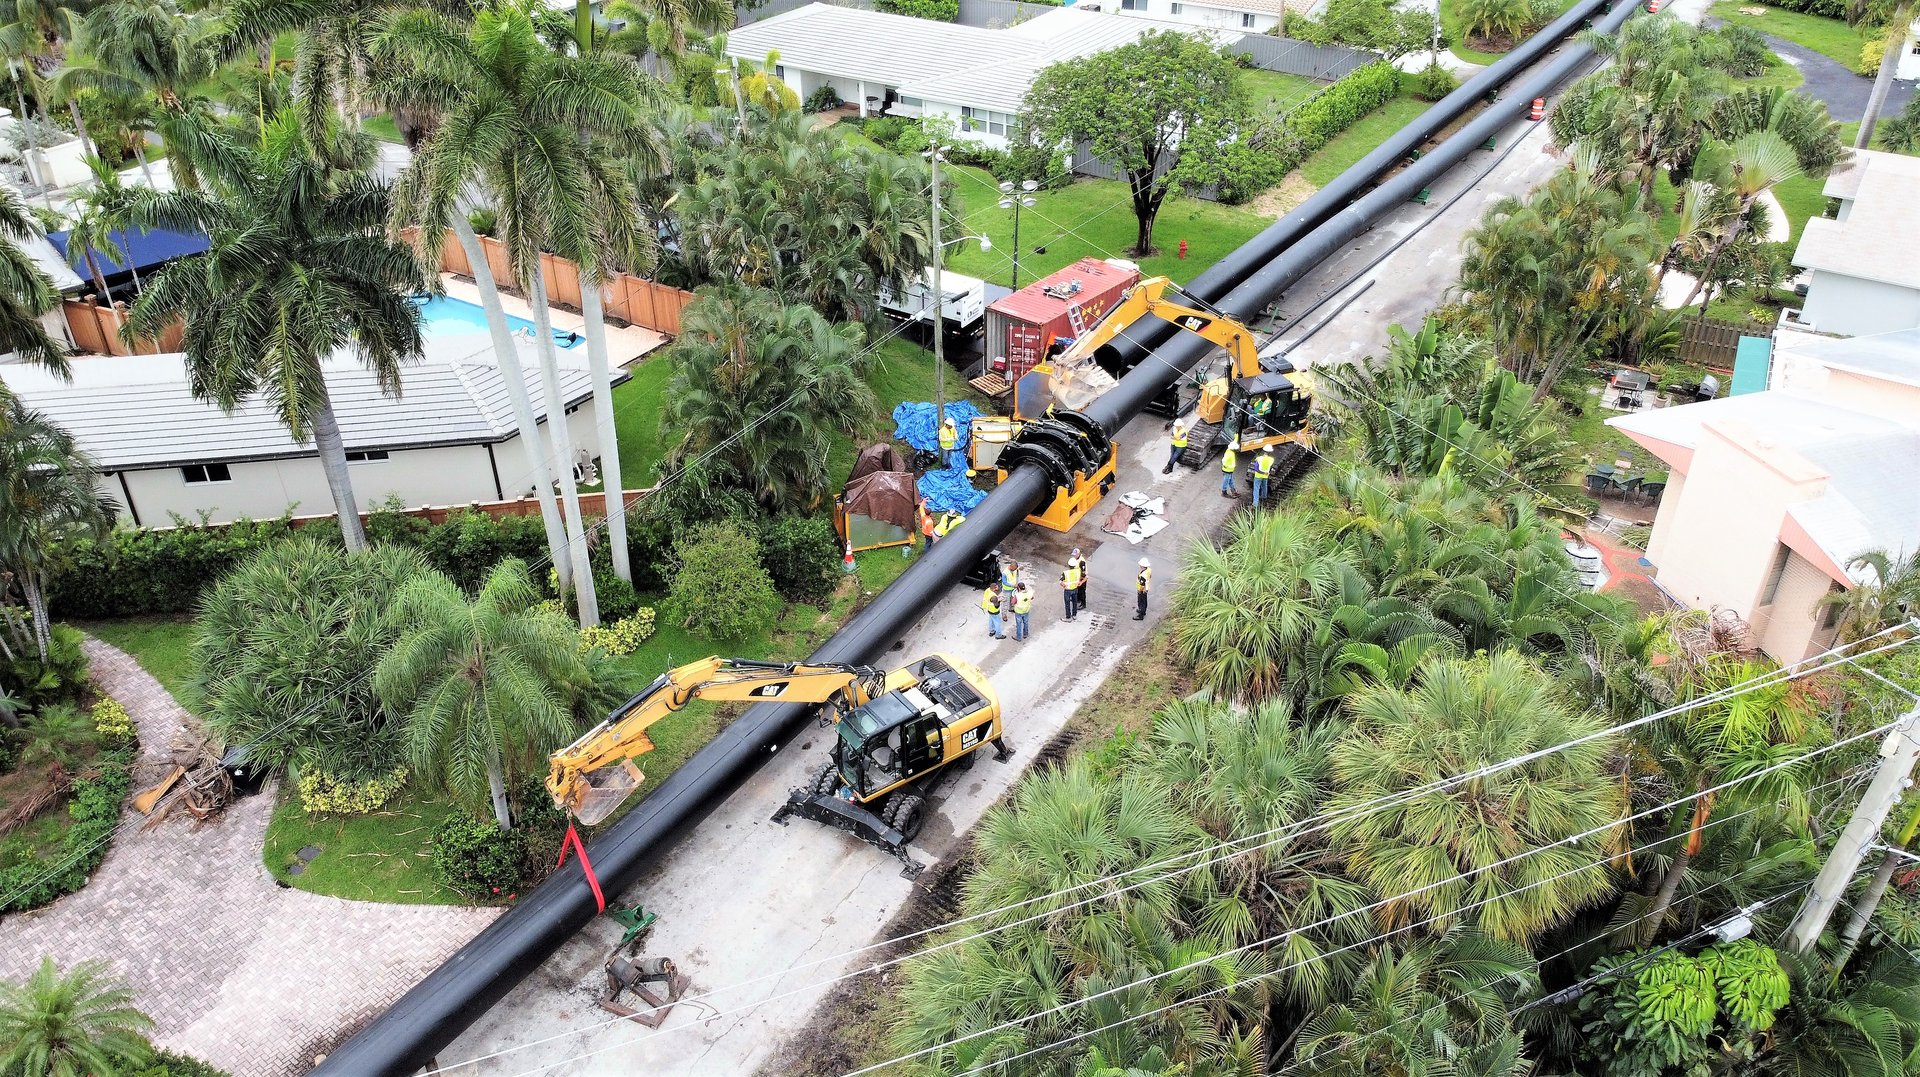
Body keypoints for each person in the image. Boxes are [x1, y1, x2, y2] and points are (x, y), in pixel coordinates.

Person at [1068, 547, 1088, 612]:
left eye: (1075, 554)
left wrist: (1081, 580)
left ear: (1078, 554)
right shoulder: (1076, 559)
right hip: (1078, 577)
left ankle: (1083, 603)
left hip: (1082, 578)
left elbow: (1083, 572)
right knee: (1078, 589)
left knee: (1082, 591)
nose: (1074, 556)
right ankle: (1078, 599)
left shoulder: (1082, 561)